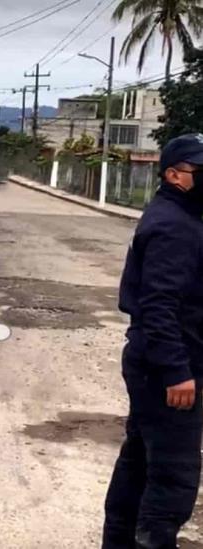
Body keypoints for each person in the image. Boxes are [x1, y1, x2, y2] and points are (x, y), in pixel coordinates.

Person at [103, 134, 203, 548]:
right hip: (168, 370)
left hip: (155, 363)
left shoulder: (181, 216)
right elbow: (159, 305)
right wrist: (176, 371)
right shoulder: (174, 226)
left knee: (141, 464)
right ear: (174, 175)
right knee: (173, 478)